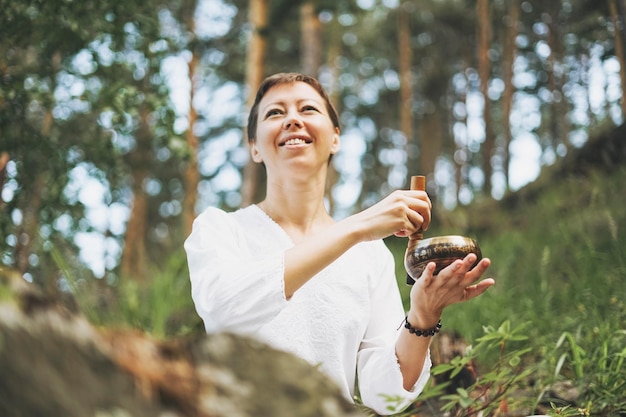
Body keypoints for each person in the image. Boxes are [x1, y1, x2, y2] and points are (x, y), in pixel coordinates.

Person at [184, 72, 494, 415]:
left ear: (335, 138)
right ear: (255, 146)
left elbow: (383, 393)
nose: (292, 120)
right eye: (274, 113)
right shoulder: (221, 229)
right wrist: (357, 227)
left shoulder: (370, 254)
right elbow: (225, 309)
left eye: (307, 109)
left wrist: (422, 316)